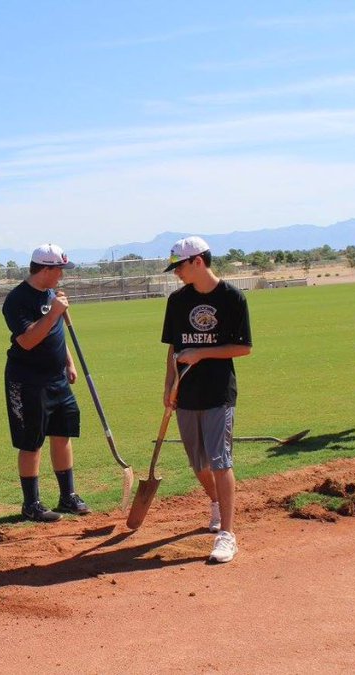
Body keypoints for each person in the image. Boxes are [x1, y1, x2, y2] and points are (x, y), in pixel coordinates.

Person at [160, 236, 252, 564]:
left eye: (179, 267)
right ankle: (215, 501)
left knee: (220, 460)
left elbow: (243, 348)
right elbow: (173, 348)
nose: (176, 273)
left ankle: (227, 534)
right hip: (186, 393)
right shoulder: (177, 301)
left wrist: (201, 353)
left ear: (197, 261)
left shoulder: (232, 298)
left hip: (218, 393)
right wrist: (169, 386)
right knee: (198, 462)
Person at [1, 244, 89, 523]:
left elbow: (56, 334)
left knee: (63, 433)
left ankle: (68, 496)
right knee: (32, 441)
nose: (62, 275)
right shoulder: (17, 299)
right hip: (28, 379)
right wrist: (52, 313)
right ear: (45, 269)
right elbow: (27, 340)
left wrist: (69, 362)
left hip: (57, 378)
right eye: (59, 270)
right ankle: (31, 504)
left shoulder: (52, 294)